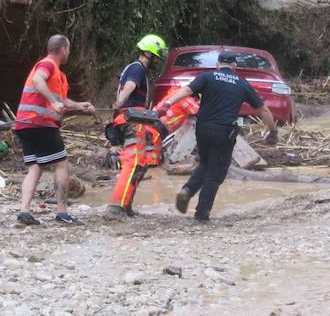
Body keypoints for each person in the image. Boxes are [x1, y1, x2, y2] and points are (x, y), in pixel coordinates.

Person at [156, 50, 278, 222]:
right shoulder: (242, 83)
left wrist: (167, 104)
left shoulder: (208, 76)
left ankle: (188, 190)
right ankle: (202, 214)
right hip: (224, 132)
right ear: (235, 66)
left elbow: (186, 90)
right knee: (216, 173)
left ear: (218, 64)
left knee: (205, 162)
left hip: (203, 129)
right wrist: (273, 130)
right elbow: (263, 109)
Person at [14, 34, 94, 226]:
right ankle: (62, 212)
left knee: (35, 167)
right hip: (42, 124)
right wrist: (52, 102)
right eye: (69, 49)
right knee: (61, 165)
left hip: (25, 125)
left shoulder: (59, 75)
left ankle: (24, 211)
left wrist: (81, 106)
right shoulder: (48, 65)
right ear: (64, 49)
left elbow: (63, 101)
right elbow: (38, 80)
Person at [107, 34, 168, 217]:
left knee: (140, 164)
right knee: (133, 163)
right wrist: (119, 105)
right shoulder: (138, 69)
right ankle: (116, 207)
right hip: (132, 120)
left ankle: (126, 205)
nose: (158, 60)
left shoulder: (138, 69)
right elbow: (129, 87)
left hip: (136, 120)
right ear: (149, 54)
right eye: (157, 56)